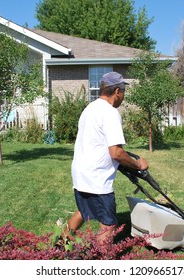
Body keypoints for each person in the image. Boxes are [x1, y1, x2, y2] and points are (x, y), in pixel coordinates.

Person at [63, 71, 148, 245]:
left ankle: (59, 244)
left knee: (84, 211)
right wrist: (138, 165)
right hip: (97, 178)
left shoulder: (90, 108)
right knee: (109, 225)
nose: (123, 96)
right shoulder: (110, 113)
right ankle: (98, 259)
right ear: (117, 91)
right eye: (123, 92)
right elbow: (116, 152)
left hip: (81, 172)